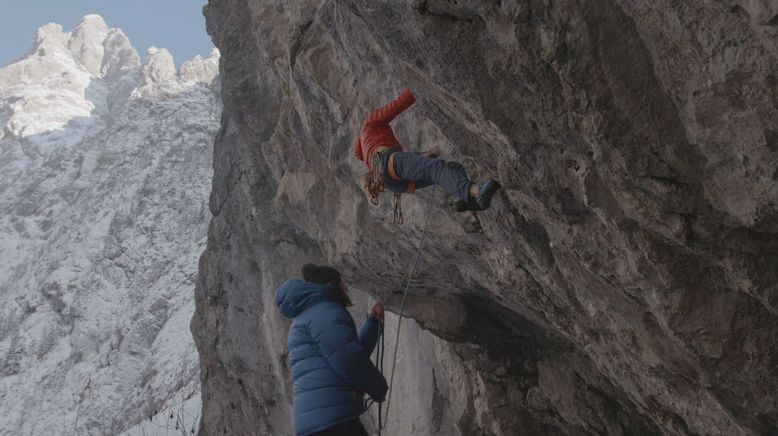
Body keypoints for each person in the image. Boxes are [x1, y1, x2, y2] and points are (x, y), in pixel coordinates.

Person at [276, 264, 387, 436]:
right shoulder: (325, 313)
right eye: (342, 282)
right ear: (331, 284)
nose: (346, 288)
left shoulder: (310, 316)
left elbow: (347, 353)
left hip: (323, 420)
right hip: (332, 423)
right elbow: (349, 360)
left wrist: (373, 324)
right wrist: (378, 387)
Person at [355, 89, 501, 215]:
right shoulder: (369, 125)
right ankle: (476, 192)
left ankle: (465, 199)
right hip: (390, 162)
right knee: (435, 169)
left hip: (392, 178)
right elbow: (395, 106)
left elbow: (407, 177)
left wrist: (423, 157)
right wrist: (415, 89)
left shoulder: (372, 163)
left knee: (451, 168)